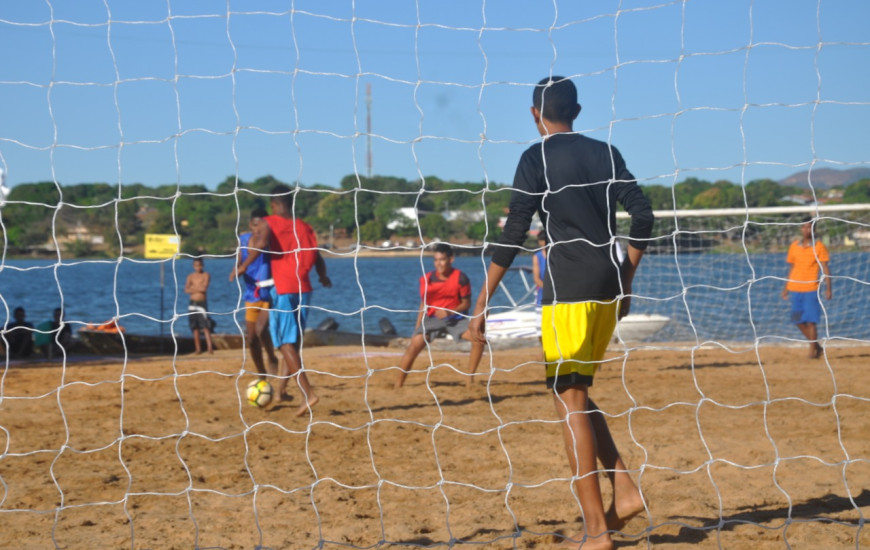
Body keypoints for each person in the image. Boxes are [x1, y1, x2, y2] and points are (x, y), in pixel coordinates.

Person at [468, 76, 654, 550]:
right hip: (608, 286)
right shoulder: (606, 153)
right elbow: (644, 215)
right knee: (574, 394)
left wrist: (481, 302)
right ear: (579, 110)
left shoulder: (536, 158)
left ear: (535, 114)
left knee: (569, 402)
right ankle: (625, 490)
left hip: (569, 292)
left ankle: (596, 532)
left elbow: (513, 234)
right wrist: (626, 277)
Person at [232, 184, 332, 416]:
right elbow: (317, 255)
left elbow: (258, 245)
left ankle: (309, 394)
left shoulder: (271, 222)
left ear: (274, 204)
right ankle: (281, 390)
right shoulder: (304, 226)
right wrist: (323, 276)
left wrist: (243, 266)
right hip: (305, 288)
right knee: (293, 343)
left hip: (285, 288)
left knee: (284, 343)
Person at [394, 243, 485, 390]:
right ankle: (397, 385)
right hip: (432, 319)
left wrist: (449, 312)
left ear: (451, 259)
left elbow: (466, 303)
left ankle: (470, 379)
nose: (439, 263)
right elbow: (423, 304)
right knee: (414, 346)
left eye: (442, 259)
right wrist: (417, 328)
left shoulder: (461, 278)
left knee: (479, 340)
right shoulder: (427, 279)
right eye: (436, 260)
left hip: (456, 319)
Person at [233, 207, 280, 379]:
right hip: (251, 295)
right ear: (250, 225)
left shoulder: (268, 241)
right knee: (251, 338)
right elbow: (239, 262)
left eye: (262, 226)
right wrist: (237, 269)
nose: (258, 230)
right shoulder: (243, 240)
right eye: (255, 225)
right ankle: (261, 372)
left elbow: (262, 248)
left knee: (261, 329)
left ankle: (272, 357)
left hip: (270, 293)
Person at [781, 217, 832, 358]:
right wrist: (785, 288)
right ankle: (816, 346)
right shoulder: (794, 246)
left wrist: (828, 288)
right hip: (795, 289)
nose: (806, 230)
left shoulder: (819, 246)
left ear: (814, 229)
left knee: (811, 321)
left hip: (811, 288)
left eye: (808, 227)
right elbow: (792, 268)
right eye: (803, 227)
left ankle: (812, 351)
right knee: (797, 320)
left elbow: (825, 268)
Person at [185, 257, 214, 354]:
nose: (198, 267)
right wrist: (197, 288)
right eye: (196, 266)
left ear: (202, 265)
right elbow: (186, 289)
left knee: (205, 326)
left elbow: (204, 288)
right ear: (193, 266)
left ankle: (210, 348)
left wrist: (193, 288)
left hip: (202, 303)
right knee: (194, 326)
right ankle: (198, 349)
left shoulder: (206, 275)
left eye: (200, 265)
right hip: (192, 303)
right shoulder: (190, 276)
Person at [532, 233, 548, 306]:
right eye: (541, 240)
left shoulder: (555, 256)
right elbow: (536, 279)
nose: (543, 242)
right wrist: (549, 289)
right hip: (542, 295)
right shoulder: (537, 257)